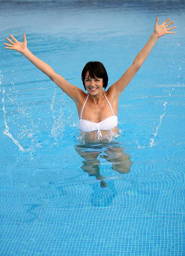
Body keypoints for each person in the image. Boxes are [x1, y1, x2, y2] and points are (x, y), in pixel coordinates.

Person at [4, 17, 176, 187]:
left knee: (124, 168)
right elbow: (53, 75)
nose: (92, 84)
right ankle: (99, 177)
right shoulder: (79, 97)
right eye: (88, 80)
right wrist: (26, 52)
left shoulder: (113, 94)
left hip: (112, 145)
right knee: (91, 169)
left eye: (96, 80)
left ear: (103, 81)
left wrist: (154, 36)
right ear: (83, 82)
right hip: (87, 147)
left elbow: (135, 65)